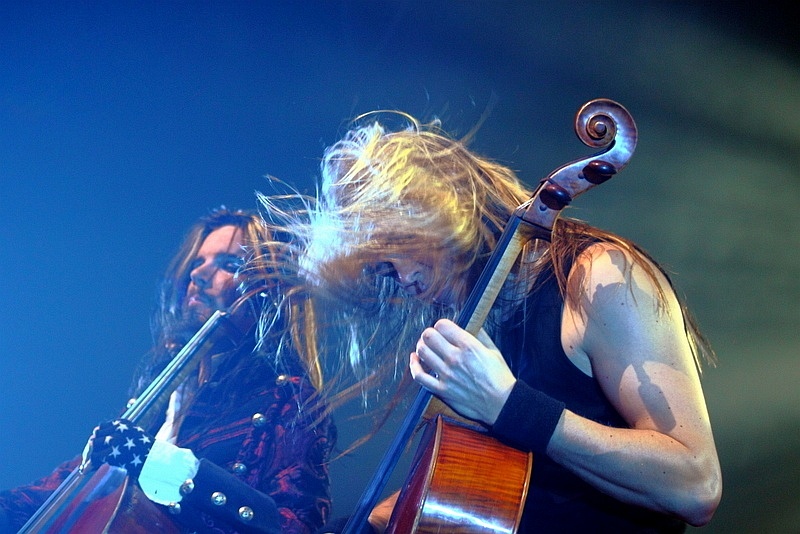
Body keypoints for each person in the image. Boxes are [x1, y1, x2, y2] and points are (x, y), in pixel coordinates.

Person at [296, 114, 722, 532]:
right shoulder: (473, 312)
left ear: (434, 211)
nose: (405, 280)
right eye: (385, 272)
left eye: (400, 249)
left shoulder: (597, 275)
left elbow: (695, 486)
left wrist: (509, 405)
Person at [0, 207, 335, 534]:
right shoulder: (158, 396)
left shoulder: (288, 399)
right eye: (197, 262)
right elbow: (53, 493)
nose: (198, 275)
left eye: (229, 264)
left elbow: (293, 524)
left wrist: (164, 466)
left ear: (269, 292)